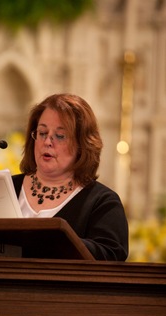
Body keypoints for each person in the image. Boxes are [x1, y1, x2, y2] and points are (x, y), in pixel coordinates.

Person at [12, 93, 129, 261]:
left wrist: (53, 241)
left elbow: (110, 256)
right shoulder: (6, 187)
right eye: (43, 132)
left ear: (82, 145)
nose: (47, 142)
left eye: (60, 136)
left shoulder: (103, 203)